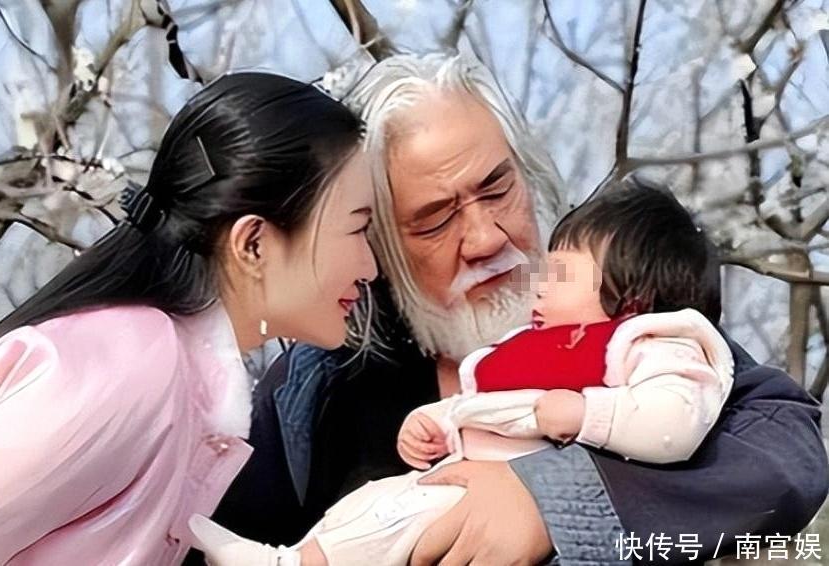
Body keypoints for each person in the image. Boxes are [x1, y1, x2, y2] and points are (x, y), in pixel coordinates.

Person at [206, 54, 828, 565]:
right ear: (380, 248)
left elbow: (782, 445)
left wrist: (555, 502)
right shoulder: (319, 387)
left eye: (497, 188)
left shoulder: (621, 319)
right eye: (435, 221)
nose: (485, 238)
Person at [0, 72, 379, 565]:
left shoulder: (177, 380)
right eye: (358, 228)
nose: (371, 266)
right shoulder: (132, 367)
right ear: (253, 242)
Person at [190, 184, 736, 566]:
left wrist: (584, 423)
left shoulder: (653, 344)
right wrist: (436, 421)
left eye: (561, 274)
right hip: (447, 475)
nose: (537, 282)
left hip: (477, 503)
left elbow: (675, 422)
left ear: (630, 298)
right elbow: (486, 404)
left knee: (393, 526)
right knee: (369, 505)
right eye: (433, 219)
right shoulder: (523, 349)